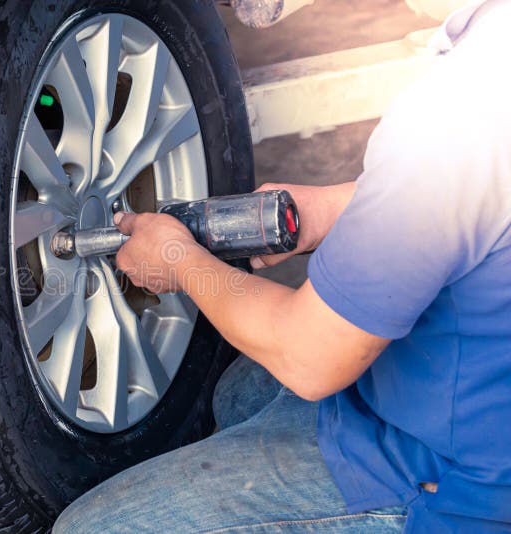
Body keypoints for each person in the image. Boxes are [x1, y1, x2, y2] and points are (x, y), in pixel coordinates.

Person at [53, 0, 511, 532]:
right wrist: (338, 209)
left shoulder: (460, 110)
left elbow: (309, 360)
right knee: (240, 392)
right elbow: (477, 199)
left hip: (462, 485)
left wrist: (180, 260)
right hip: (473, 382)